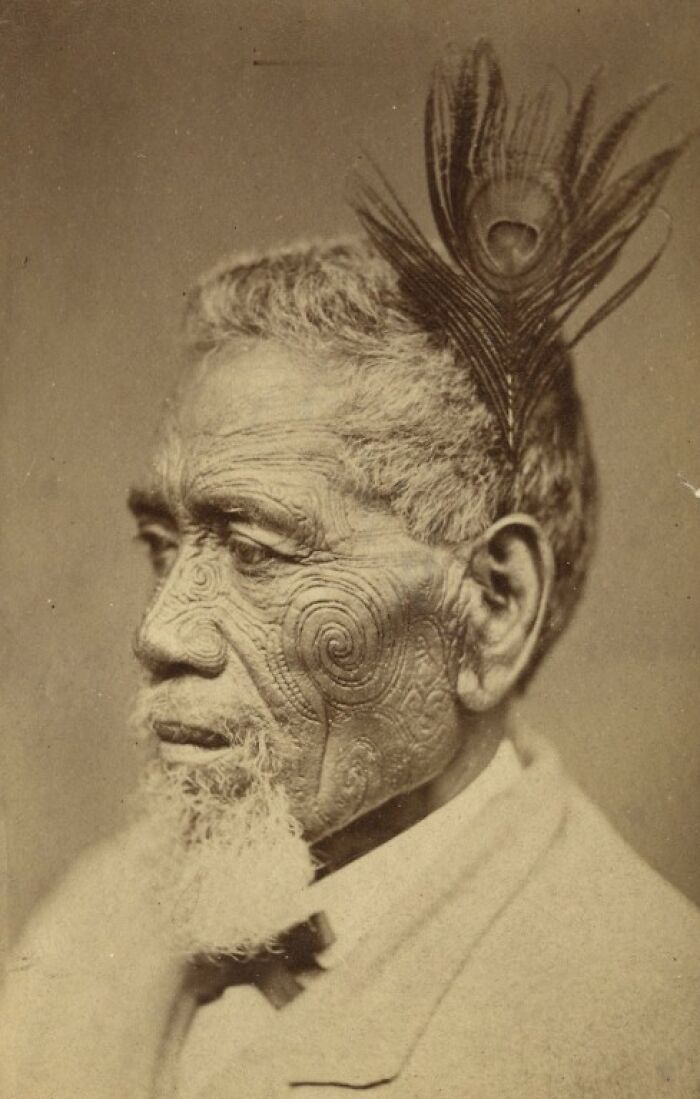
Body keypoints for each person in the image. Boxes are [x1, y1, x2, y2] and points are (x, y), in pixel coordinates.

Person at [2, 42, 699, 1099]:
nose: (161, 629)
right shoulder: (91, 926)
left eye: (257, 548)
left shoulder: (648, 1029)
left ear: (493, 607)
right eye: (165, 544)